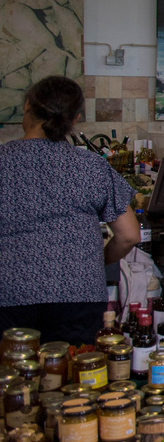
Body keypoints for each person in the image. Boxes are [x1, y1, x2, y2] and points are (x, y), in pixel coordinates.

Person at [0, 77, 141, 343]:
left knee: (14, 379)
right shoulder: (90, 165)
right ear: (74, 119)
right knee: (75, 374)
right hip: (79, 294)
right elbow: (130, 235)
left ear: (27, 105)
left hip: (10, 294)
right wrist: (95, 261)